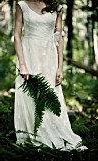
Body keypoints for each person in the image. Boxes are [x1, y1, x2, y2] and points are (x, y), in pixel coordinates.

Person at [14, 0, 87, 150]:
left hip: (49, 58)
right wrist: (22, 64)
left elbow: (59, 38)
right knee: (31, 97)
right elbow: (16, 34)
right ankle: (33, 134)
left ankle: (54, 133)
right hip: (29, 55)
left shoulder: (57, 7)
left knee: (51, 96)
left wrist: (60, 68)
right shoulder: (22, 5)